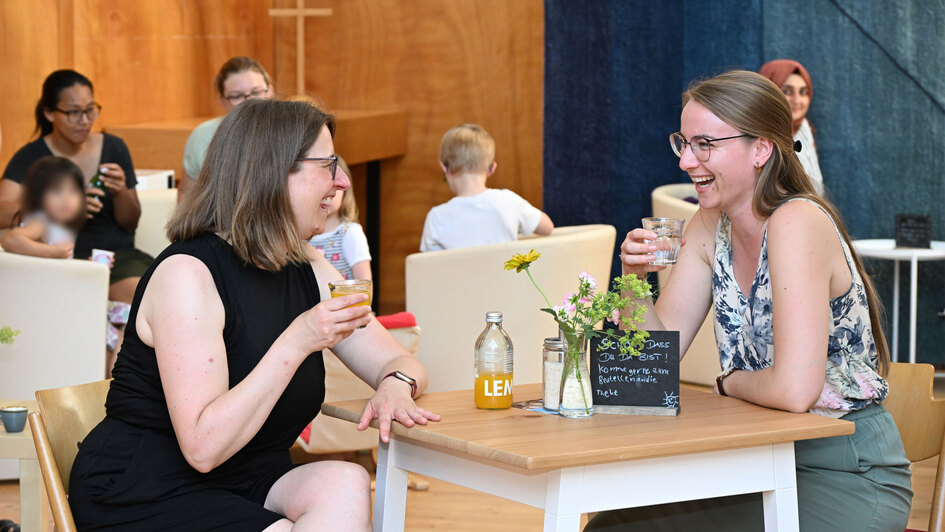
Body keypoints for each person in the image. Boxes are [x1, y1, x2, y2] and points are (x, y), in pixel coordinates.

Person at [69, 99, 439, 531]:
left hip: (245, 476)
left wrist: (396, 387)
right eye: (328, 164)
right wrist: (298, 339)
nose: (341, 182)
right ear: (273, 173)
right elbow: (203, 448)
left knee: (346, 479)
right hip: (146, 485)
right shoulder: (187, 275)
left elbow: (398, 360)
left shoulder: (310, 266)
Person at [588, 70, 911, 531]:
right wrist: (632, 280)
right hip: (757, 458)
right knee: (612, 526)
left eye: (706, 145)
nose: (685, 162)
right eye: (683, 142)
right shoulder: (708, 224)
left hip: (845, 470)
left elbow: (795, 392)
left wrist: (728, 382)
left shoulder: (796, 222)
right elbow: (652, 368)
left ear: (761, 149)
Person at [0, 69, 152, 305]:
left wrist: (121, 192)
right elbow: (2, 213)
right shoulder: (33, 156)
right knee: (144, 299)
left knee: (162, 290)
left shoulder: (114, 148)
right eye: (74, 113)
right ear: (50, 113)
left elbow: (130, 222)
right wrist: (55, 204)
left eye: (90, 110)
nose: (85, 121)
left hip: (117, 255)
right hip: (68, 259)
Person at [2, 156, 132, 358]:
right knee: (121, 333)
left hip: (65, 299)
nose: (67, 199)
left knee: (130, 319)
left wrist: (89, 268)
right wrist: (55, 253)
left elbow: (62, 269)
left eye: (73, 192)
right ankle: (112, 383)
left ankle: (112, 382)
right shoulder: (42, 222)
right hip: (51, 306)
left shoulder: (62, 227)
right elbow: (11, 240)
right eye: (57, 192)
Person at [420, 124, 553, 251]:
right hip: (504, 275)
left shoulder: (436, 218)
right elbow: (547, 228)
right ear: (492, 168)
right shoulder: (509, 201)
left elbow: (430, 267)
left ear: (444, 168)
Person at [180, 56, 273, 199]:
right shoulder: (203, 136)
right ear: (222, 101)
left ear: (270, 91)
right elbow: (186, 196)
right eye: (237, 96)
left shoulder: (292, 132)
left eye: (256, 92)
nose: (249, 101)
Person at [759, 59, 824, 196]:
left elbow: (815, 188)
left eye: (803, 92)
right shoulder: (755, 134)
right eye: (787, 91)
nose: (797, 101)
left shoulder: (804, 128)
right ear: (770, 92)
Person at [306, 156, 372, 281]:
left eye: (334, 186)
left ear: (345, 192)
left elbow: (364, 283)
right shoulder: (302, 232)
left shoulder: (350, 233)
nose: (327, 194)